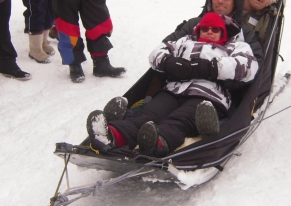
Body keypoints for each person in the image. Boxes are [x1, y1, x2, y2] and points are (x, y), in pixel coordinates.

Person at [86, 12, 258, 156]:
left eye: (215, 29)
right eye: (205, 28)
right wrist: (169, 62)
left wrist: (212, 67)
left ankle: (158, 143)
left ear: (223, 33)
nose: (210, 32)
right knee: (147, 115)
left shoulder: (234, 47)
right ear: (199, 30)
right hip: (173, 90)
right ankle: (112, 135)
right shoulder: (184, 42)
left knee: (179, 121)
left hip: (208, 95)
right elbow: (155, 54)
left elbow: (249, 67)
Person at [163, 0, 264, 65]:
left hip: (221, 84)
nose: (220, 1)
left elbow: (255, 63)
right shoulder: (193, 23)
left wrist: (223, 81)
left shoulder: (244, 32)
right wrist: (174, 68)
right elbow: (166, 45)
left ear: (236, 2)